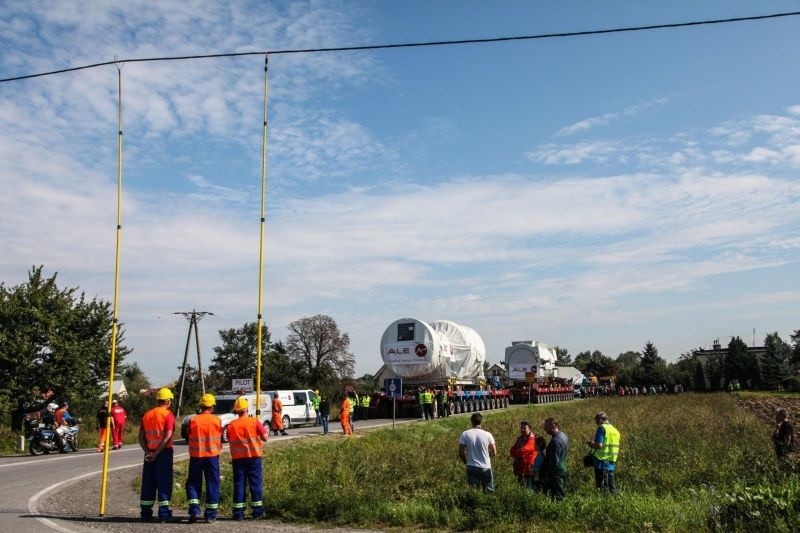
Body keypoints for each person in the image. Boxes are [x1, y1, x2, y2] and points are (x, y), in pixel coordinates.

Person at [227, 396, 269, 520]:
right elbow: (265, 437)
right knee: (255, 484)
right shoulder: (255, 422)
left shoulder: (231, 425)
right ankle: (257, 512)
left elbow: (230, 439)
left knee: (239, 485)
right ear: (247, 409)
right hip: (254, 458)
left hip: (238, 460)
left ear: (236, 411)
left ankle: (238, 513)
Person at [138, 387, 175, 522]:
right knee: (164, 482)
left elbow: (140, 437)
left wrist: (148, 452)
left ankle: (145, 513)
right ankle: (164, 514)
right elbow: (168, 436)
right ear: (167, 401)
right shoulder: (168, 415)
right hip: (163, 453)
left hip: (149, 453)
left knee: (148, 482)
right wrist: (156, 453)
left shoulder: (147, 415)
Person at [185, 393, 222, 523]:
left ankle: (194, 510)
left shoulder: (193, 420)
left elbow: (189, 434)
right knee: (213, 483)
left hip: (196, 456)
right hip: (212, 456)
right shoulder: (217, 420)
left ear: (201, 406)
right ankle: (210, 514)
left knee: (193, 483)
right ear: (212, 407)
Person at [458, 412, 497, 492]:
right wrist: (486, 455)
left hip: (471, 466)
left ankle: (475, 504)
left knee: (474, 491)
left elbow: (461, 452)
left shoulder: (465, 434)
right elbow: (494, 452)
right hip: (485, 466)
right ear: (481, 422)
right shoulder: (488, 435)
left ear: (471, 422)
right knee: (489, 491)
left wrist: (467, 462)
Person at [586, 411, 620, 494]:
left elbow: (599, 445)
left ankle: (602, 503)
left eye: (597, 421)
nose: (597, 424)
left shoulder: (602, 428)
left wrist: (590, 443)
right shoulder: (615, 430)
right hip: (611, 461)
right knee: (611, 486)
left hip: (600, 462)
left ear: (601, 419)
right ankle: (612, 502)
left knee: (601, 487)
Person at [540, 417, 569, 500]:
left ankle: (559, 511)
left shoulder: (555, 441)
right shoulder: (563, 435)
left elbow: (554, 461)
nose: (545, 428)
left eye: (546, 426)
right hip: (563, 468)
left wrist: (548, 474)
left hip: (556, 472)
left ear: (553, 426)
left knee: (558, 496)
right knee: (561, 491)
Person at [510, 421, 537, 489]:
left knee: (528, 489)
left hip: (528, 469)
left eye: (524, 428)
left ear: (530, 428)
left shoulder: (532, 440)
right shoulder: (521, 439)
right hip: (520, 468)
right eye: (521, 428)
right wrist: (516, 453)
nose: (522, 430)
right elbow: (512, 450)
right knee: (521, 487)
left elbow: (522, 451)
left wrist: (516, 453)